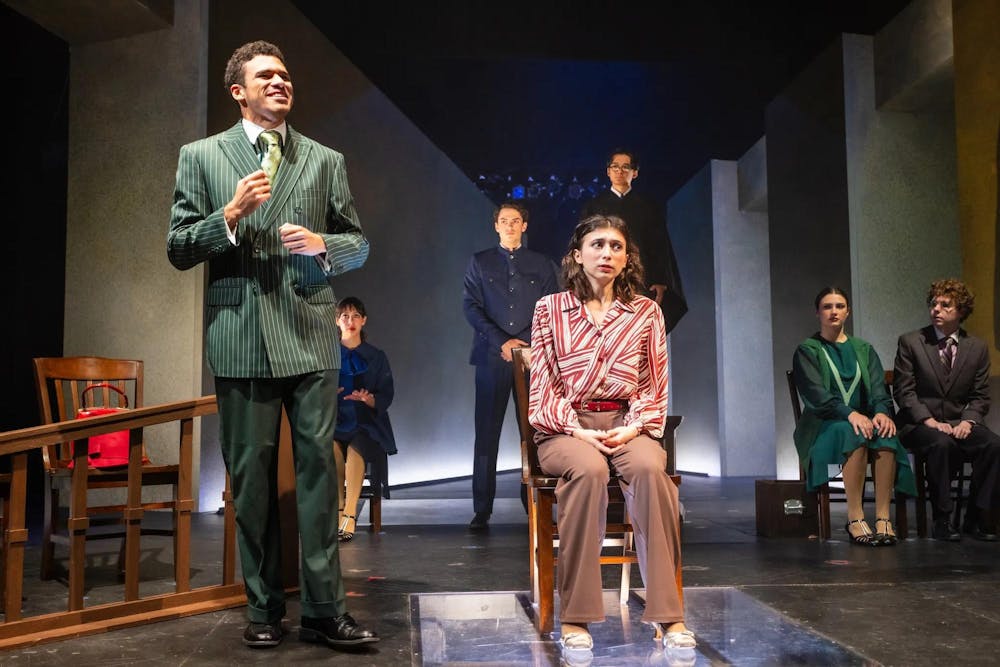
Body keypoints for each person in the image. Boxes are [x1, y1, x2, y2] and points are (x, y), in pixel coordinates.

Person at [167, 40, 377, 649]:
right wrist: (228, 216)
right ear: (239, 90)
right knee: (251, 480)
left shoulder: (323, 159)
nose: (281, 82)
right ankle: (262, 609)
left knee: (319, 473)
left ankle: (323, 609)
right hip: (241, 335)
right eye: (267, 76)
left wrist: (322, 244)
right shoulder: (202, 157)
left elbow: (357, 243)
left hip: (311, 334)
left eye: (286, 74)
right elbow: (179, 247)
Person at [528, 214, 694, 655]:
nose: (606, 253)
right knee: (587, 472)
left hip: (626, 423)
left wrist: (635, 427)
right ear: (577, 255)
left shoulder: (646, 312)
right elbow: (543, 387)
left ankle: (669, 614)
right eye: (597, 244)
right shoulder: (549, 309)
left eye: (616, 246)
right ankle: (576, 618)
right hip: (565, 427)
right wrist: (578, 431)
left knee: (649, 469)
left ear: (627, 259)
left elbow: (654, 386)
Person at [792, 288, 916, 546]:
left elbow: (879, 389)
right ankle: (855, 517)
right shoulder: (808, 350)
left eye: (839, 306)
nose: (833, 311)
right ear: (817, 313)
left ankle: (883, 518)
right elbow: (816, 396)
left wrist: (882, 412)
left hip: (864, 421)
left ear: (848, 311)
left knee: (886, 432)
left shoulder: (863, 349)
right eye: (827, 307)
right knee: (853, 430)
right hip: (823, 425)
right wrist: (850, 414)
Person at [462, 201, 560, 530]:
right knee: (486, 434)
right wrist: (501, 341)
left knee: (532, 434)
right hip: (492, 356)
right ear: (496, 226)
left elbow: (551, 308)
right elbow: (472, 307)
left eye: (515, 221)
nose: (509, 226)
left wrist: (528, 344)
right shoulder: (480, 262)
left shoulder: (543, 264)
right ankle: (481, 509)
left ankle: (533, 503)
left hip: (532, 360)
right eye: (504, 221)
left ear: (524, 226)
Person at [893, 278, 1000, 542]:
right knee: (942, 443)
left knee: (993, 445)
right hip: (918, 425)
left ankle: (975, 517)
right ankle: (942, 519)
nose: (936, 309)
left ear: (961, 311)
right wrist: (928, 421)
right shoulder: (912, 342)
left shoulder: (977, 348)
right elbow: (904, 391)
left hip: (956, 421)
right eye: (933, 304)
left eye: (945, 305)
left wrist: (969, 421)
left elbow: (979, 395)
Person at [580, 148, 687, 334]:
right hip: (604, 280)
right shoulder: (594, 206)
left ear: (635, 172)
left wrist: (660, 280)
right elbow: (584, 244)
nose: (619, 171)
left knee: (639, 334)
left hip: (641, 280)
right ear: (608, 171)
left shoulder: (649, 206)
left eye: (625, 167)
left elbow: (659, 246)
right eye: (615, 167)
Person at [333, 296, 397, 542]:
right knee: (332, 450)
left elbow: (386, 393)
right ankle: (339, 512)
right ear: (337, 321)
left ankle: (349, 516)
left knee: (356, 448)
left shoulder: (376, 356)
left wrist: (368, 399)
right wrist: (329, 394)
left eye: (356, 316)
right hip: (336, 420)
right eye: (345, 316)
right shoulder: (329, 354)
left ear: (364, 320)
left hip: (367, 422)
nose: (350, 321)